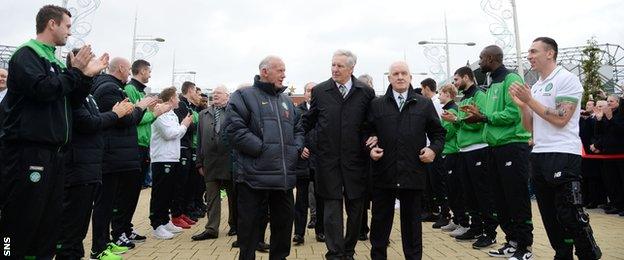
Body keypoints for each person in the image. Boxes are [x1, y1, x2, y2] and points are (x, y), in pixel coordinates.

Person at [0, 5, 109, 258]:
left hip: (55, 155)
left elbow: (70, 99)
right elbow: (43, 89)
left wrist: (86, 77)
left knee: (48, 222)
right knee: (20, 221)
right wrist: (74, 72)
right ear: (52, 24)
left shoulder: (53, 60)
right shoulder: (26, 55)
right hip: (29, 154)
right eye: (67, 26)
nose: (70, 33)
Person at [510, 36, 602, 260]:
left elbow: (561, 118)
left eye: (534, 52)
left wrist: (529, 100)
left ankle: (588, 253)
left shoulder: (566, 79)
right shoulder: (538, 85)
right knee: (549, 216)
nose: (529, 56)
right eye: (529, 52)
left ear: (549, 53)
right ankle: (562, 254)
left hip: (563, 154)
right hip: (539, 155)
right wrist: (523, 106)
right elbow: (529, 128)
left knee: (569, 213)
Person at [55, 49, 135, 260]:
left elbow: (96, 120)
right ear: (76, 63)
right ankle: (94, 250)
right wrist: (115, 114)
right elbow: (89, 123)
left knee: (79, 227)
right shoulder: (73, 93)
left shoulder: (87, 94)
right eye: (90, 61)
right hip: (77, 167)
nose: (97, 64)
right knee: (70, 229)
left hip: (89, 165)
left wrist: (111, 115)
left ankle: (91, 250)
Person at [301, 49, 377, 260]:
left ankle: (349, 250)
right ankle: (335, 254)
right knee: (332, 211)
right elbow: (309, 121)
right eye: (333, 65)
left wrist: (373, 137)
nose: (334, 69)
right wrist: (307, 143)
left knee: (356, 211)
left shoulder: (365, 92)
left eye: (339, 66)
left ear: (352, 68)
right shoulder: (321, 91)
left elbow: (371, 124)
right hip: (328, 161)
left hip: (356, 161)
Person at [226, 55, 304, 260]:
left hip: (283, 180)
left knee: (284, 226)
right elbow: (235, 130)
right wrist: (262, 149)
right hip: (253, 177)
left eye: (284, 70)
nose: (284, 74)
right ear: (264, 71)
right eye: (280, 70)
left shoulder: (287, 101)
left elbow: (299, 129)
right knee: (250, 229)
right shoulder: (242, 96)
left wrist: (294, 149)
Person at [368, 61, 446, 260]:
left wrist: (433, 150)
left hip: (413, 172)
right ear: (389, 78)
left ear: (411, 77)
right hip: (384, 173)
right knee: (379, 227)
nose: (400, 77)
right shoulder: (377, 105)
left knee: (412, 227)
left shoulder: (423, 103)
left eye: (404, 73)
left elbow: (438, 133)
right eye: (396, 73)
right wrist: (370, 146)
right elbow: (366, 131)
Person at [462, 45, 534, 258]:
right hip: (495, 148)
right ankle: (511, 240)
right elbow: (492, 114)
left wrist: (484, 118)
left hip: (512, 146)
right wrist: (479, 114)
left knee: (516, 198)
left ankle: (525, 246)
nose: (480, 61)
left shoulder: (511, 79)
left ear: (491, 58)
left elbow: (513, 114)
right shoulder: (492, 83)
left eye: (481, 58)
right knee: (500, 199)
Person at [91, 57, 157, 257]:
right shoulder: (108, 89)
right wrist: (140, 106)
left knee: (111, 202)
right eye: (128, 69)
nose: (129, 73)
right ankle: (99, 247)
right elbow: (124, 120)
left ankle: (106, 243)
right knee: (105, 204)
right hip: (111, 155)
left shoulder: (114, 88)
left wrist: (133, 109)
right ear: (121, 68)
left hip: (117, 154)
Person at [443, 66, 498, 248]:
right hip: (464, 150)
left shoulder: (479, 95)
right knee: (470, 193)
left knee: (483, 193)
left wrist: (457, 120)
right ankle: (475, 227)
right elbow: (462, 124)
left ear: (467, 77)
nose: (455, 83)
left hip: (478, 149)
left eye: (457, 79)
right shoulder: (464, 98)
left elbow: (478, 121)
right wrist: (457, 121)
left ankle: (490, 232)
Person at [114, 59, 162, 246]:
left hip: (142, 145)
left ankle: (127, 228)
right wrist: (154, 113)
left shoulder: (141, 91)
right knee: (126, 193)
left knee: (134, 192)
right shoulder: (130, 89)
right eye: (149, 71)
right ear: (141, 71)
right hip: (133, 144)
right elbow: (133, 117)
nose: (150, 74)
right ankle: (119, 231)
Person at [192, 85, 238, 241]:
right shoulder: (204, 114)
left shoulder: (234, 112)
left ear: (227, 96)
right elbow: (198, 141)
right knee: (211, 197)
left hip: (230, 161)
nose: (215, 95)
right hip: (209, 162)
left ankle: (235, 225)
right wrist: (199, 163)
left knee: (233, 196)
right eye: (214, 93)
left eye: (219, 93)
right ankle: (211, 228)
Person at [149, 86, 193, 239]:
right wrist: (184, 125)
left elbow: (176, 134)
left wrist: (180, 128)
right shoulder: (160, 112)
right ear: (171, 98)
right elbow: (169, 134)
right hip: (161, 158)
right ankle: (156, 224)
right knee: (160, 193)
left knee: (168, 192)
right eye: (177, 97)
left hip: (172, 157)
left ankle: (164, 220)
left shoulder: (172, 114)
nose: (179, 99)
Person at [293, 82, 324, 245]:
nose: (310, 93)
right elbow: (294, 132)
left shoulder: (323, 110)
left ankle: (321, 231)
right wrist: (300, 148)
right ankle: (299, 233)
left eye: (313, 91)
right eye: (307, 90)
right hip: (302, 161)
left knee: (321, 198)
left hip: (319, 161)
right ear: (304, 93)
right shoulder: (296, 111)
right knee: (301, 199)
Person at [437, 84, 470, 235]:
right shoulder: (448, 110)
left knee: (455, 189)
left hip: (452, 152)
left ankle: (463, 222)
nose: (438, 96)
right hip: (448, 152)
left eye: (440, 93)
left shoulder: (451, 110)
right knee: (451, 189)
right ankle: (457, 219)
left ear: (448, 94)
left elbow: (447, 133)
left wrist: (437, 135)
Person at [171, 81, 201, 228]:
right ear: (189, 90)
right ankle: (177, 213)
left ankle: (183, 212)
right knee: (180, 183)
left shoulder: (189, 106)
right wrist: (200, 127)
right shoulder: (182, 105)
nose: (197, 93)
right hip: (182, 147)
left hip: (189, 146)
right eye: (195, 90)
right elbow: (185, 125)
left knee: (189, 182)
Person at [420, 78, 450, 227]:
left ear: (426, 88)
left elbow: (439, 128)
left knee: (438, 183)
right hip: (431, 148)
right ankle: (435, 211)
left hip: (436, 149)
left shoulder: (434, 105)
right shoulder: (433, 104)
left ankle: (444, 213)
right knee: (431, 184)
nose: (421, 92)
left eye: (422, 89)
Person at [591, 95, 624, 215]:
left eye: (612, 101)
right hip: (608, 154)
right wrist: (599, 120)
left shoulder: (620, 114)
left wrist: (610, 118)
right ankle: (616, 204)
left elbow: (620, 130)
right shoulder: (605, 115)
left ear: (618, 102)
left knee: (621, 180)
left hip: (620, 153)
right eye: (608, 101)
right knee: (612, 181)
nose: (609, 103)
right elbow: (600, 133)